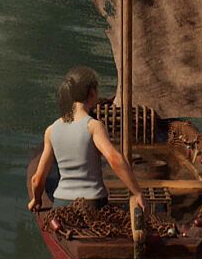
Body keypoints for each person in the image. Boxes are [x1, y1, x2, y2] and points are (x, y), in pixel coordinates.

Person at [27, 65, 144, 219]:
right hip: (93, 204)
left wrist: (36, 200)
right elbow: (114, 159)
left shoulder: (51, 130)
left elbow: (37, 180)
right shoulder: (93, 126)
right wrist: (137, 192)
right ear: (92, 93)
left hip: (62, 205)